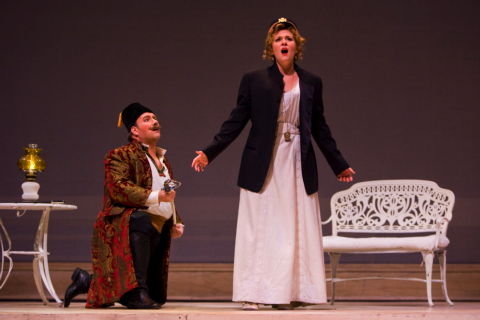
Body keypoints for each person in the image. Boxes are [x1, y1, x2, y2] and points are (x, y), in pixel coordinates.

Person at [191, 17, 355, 310]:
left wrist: (338, 163)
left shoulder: (311, 82)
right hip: (264, 161)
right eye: (278, 39)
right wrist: (209, 152)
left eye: (289, 39)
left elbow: (319, 126)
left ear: (297, 46)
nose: (284, 43)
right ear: (271, 47)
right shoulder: (254, 80)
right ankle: (255, 292)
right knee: (262, 226)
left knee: (294, 225)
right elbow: (236, 120)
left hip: (297, 161)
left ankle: (289, 293)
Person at [63, 102, 184, 309]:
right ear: (134, 131)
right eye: (147, 119)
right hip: (126, 221)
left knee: (156, 296)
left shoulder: (164, 161)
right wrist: (157, 196)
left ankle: (87, 281)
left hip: (157, 225)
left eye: (155, 118)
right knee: (142, 220)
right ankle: (135, 292)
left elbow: (167, 194)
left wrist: (175, 221)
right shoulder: (119, 155)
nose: (155, 122)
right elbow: (119, 188)